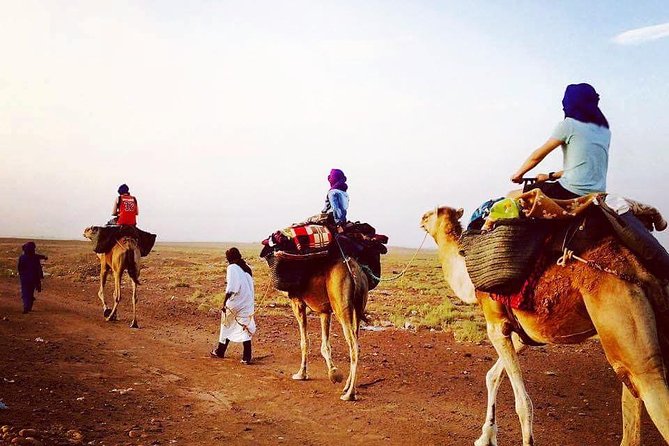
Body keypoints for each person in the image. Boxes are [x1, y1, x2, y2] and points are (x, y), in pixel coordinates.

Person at [510, 83, 611, 199]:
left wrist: (518, 175)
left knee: (512, 196)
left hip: (571, 191)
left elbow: (537, 156)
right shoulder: (605, 132)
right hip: (597, 193)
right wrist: (549, 176)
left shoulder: (569, 125)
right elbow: (581, 169)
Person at [211, 248, 256, 364]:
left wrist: (224, 302)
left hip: (236, 302)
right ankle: (247, 357)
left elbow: (232, 288)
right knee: (244, 326)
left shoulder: (232, 268)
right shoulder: (247, 268)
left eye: (228, 258)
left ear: (230, 258)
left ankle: (220, 351)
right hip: (247, 302)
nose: (227, 261)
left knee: (226, 324)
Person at [17, 242, 46, 314]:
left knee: (25, 292)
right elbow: (40, 257)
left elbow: (20, 268)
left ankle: (26, 307)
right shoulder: (35, 257)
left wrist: (22, 275)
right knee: (30, 291)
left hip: (24, 278)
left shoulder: (22, 257)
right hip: (33, 278)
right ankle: (28, 306)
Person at [322, 168, 349, 232]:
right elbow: (343, 209)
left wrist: (338, 225)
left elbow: (335, 208)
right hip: (343, 219)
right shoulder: (344, 193)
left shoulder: (332, 192)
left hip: (331, 219)